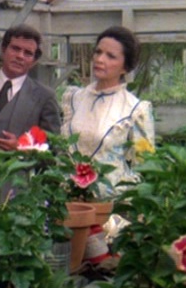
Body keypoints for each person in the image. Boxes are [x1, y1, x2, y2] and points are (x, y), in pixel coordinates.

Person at [61, 25, 155, 265]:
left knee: (102, 272)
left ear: (125, 67)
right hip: (68, 204)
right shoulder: (73, 98)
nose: (100, 59)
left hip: (110, 212)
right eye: (98, 52)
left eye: (111, 56)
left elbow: (145, 166)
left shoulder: (135, 109)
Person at [0, 24, 61, 151]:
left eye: (28, 53)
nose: (20, 56)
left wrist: (22, 148)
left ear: (34, 61)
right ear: (3, 49)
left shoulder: (45, 97)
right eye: (15, 49)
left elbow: (53, 148)